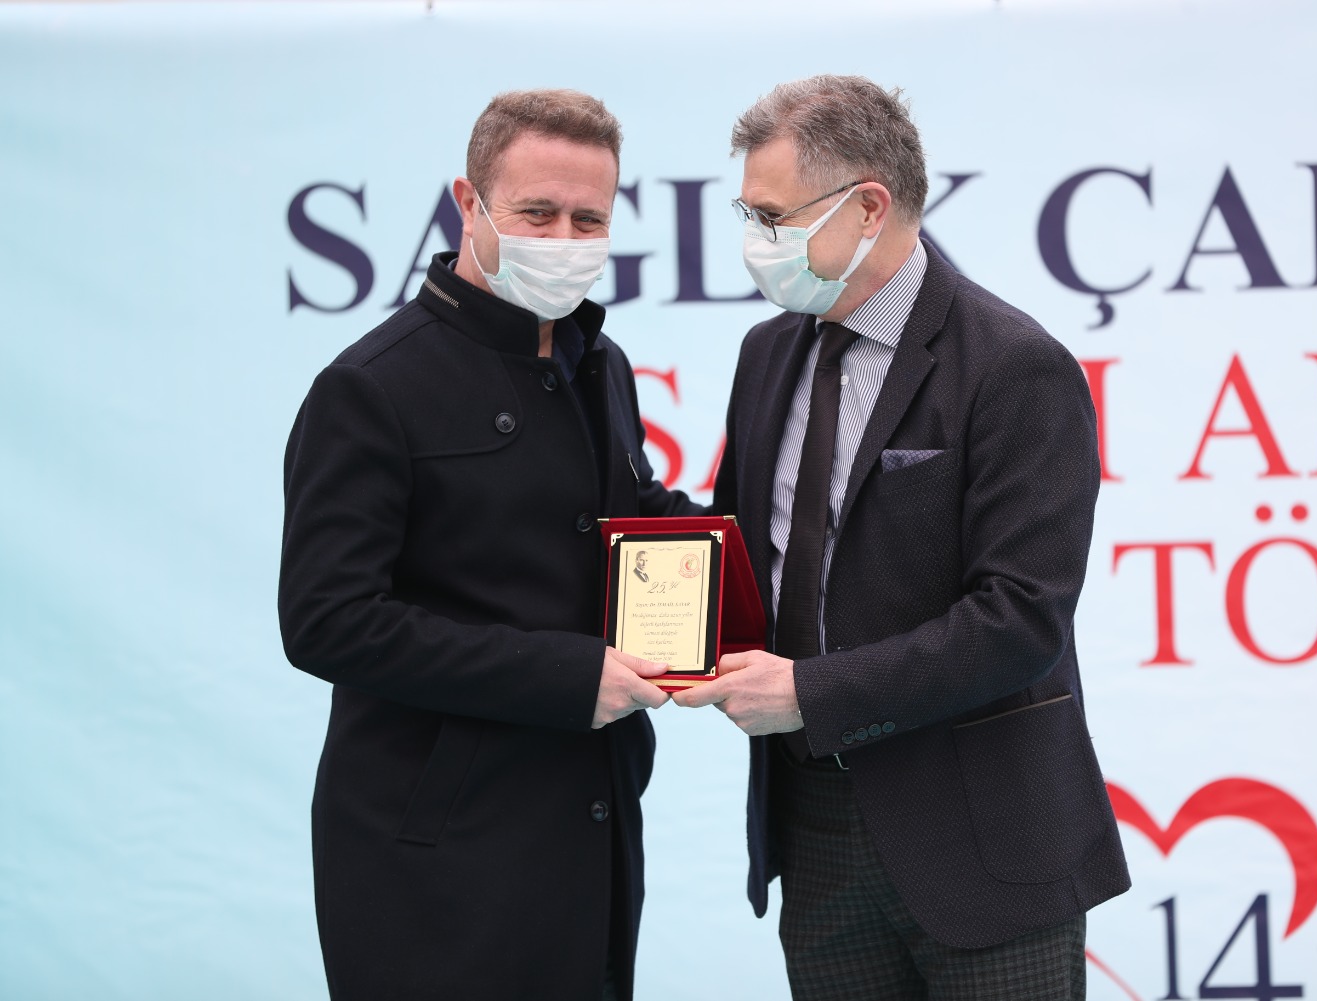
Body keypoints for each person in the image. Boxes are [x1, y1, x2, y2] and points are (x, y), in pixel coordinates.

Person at [675, 75, 1130, 999]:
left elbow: (1019, 619)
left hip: (984, 842)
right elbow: (746, 553)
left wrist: (808, 691)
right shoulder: (767, 353)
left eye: (773, 218)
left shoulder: (1013, 364)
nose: (756, 241)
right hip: (814, 830)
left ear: (868, 208)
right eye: (749, 214)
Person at [278, 89, 699, 1001]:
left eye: (589, 218)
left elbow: (625, 515)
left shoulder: (599, 363)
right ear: (468, 204)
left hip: (590, 832)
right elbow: (326, 620)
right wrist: (565, 676)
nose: (564, 238)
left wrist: (752, 558)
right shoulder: (370, 387)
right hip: (435, 861)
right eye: (537, 212)